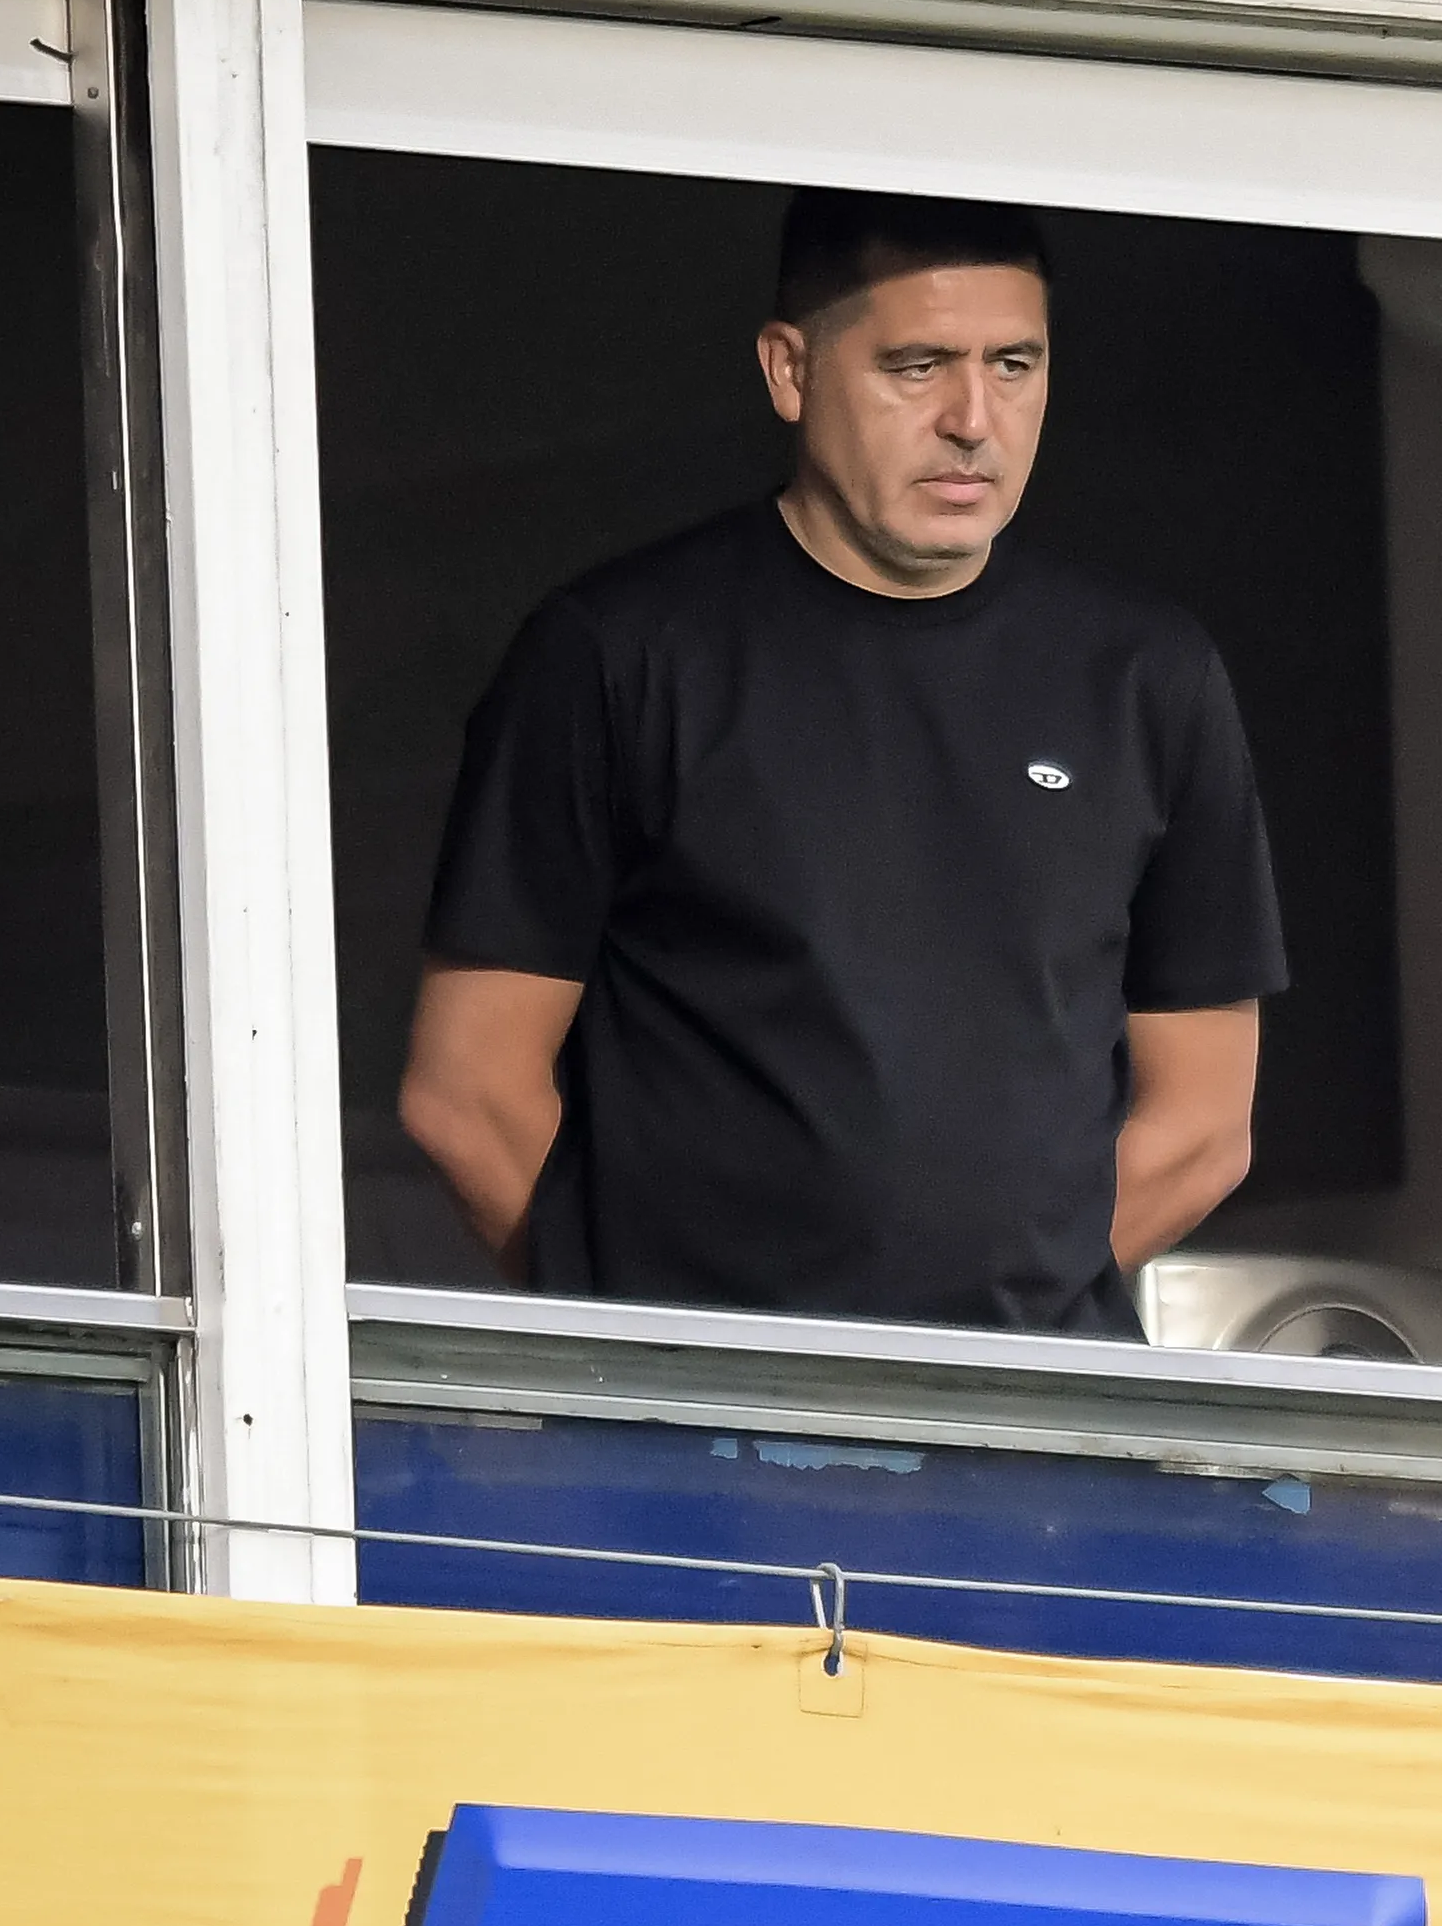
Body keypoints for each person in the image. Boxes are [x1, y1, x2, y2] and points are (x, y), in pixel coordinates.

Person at [394, 188, 1286, 1339]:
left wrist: (978, 1338)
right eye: (917, 366)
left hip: (1032, 1434)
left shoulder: (1147, 673)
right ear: (788, 370)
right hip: (699, 1431)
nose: (974, 418)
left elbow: (1205, 1122)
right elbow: (466, 1094)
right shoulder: (618, 654)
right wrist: (650, 1353)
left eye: (1014, 365)